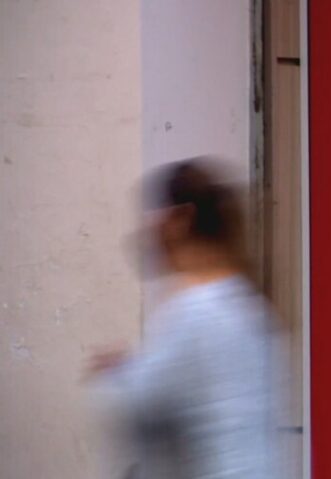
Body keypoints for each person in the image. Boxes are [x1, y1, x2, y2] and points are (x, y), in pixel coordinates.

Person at [88, 159, 281, 479]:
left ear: (181, 219)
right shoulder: (248, 306)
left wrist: (116, 376)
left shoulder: (194, 311)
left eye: (155, 213)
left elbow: (138, 403)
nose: (148, 226)